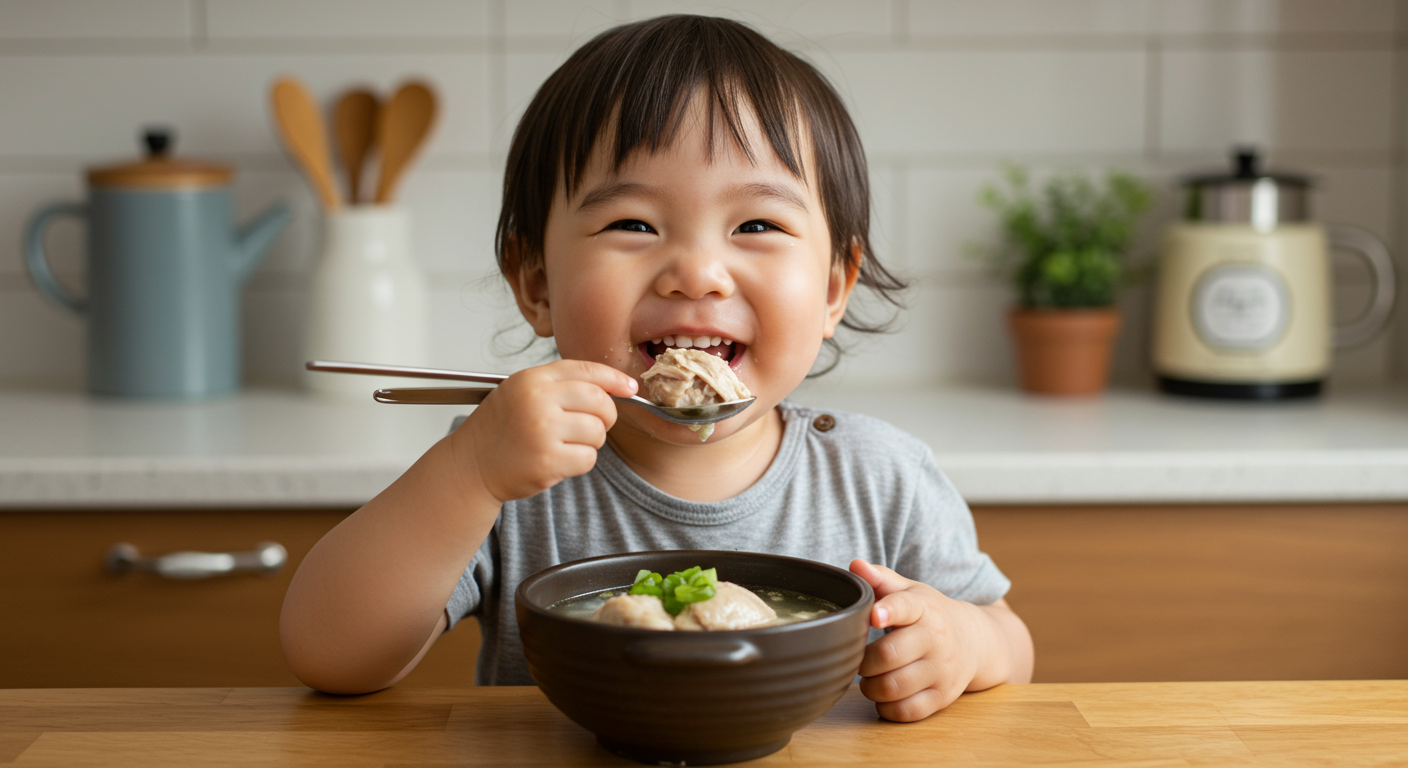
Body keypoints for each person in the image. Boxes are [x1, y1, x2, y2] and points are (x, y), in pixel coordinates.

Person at [280, 14, 1033, 722]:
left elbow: (1011, 643)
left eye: (758, 225)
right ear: (536, 282)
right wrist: (470, 472)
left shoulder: (880, 477)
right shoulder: (508, 468)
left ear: (835, 286)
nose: (698, 272)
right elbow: (330, 654)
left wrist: (965, 642)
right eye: (633, 224)